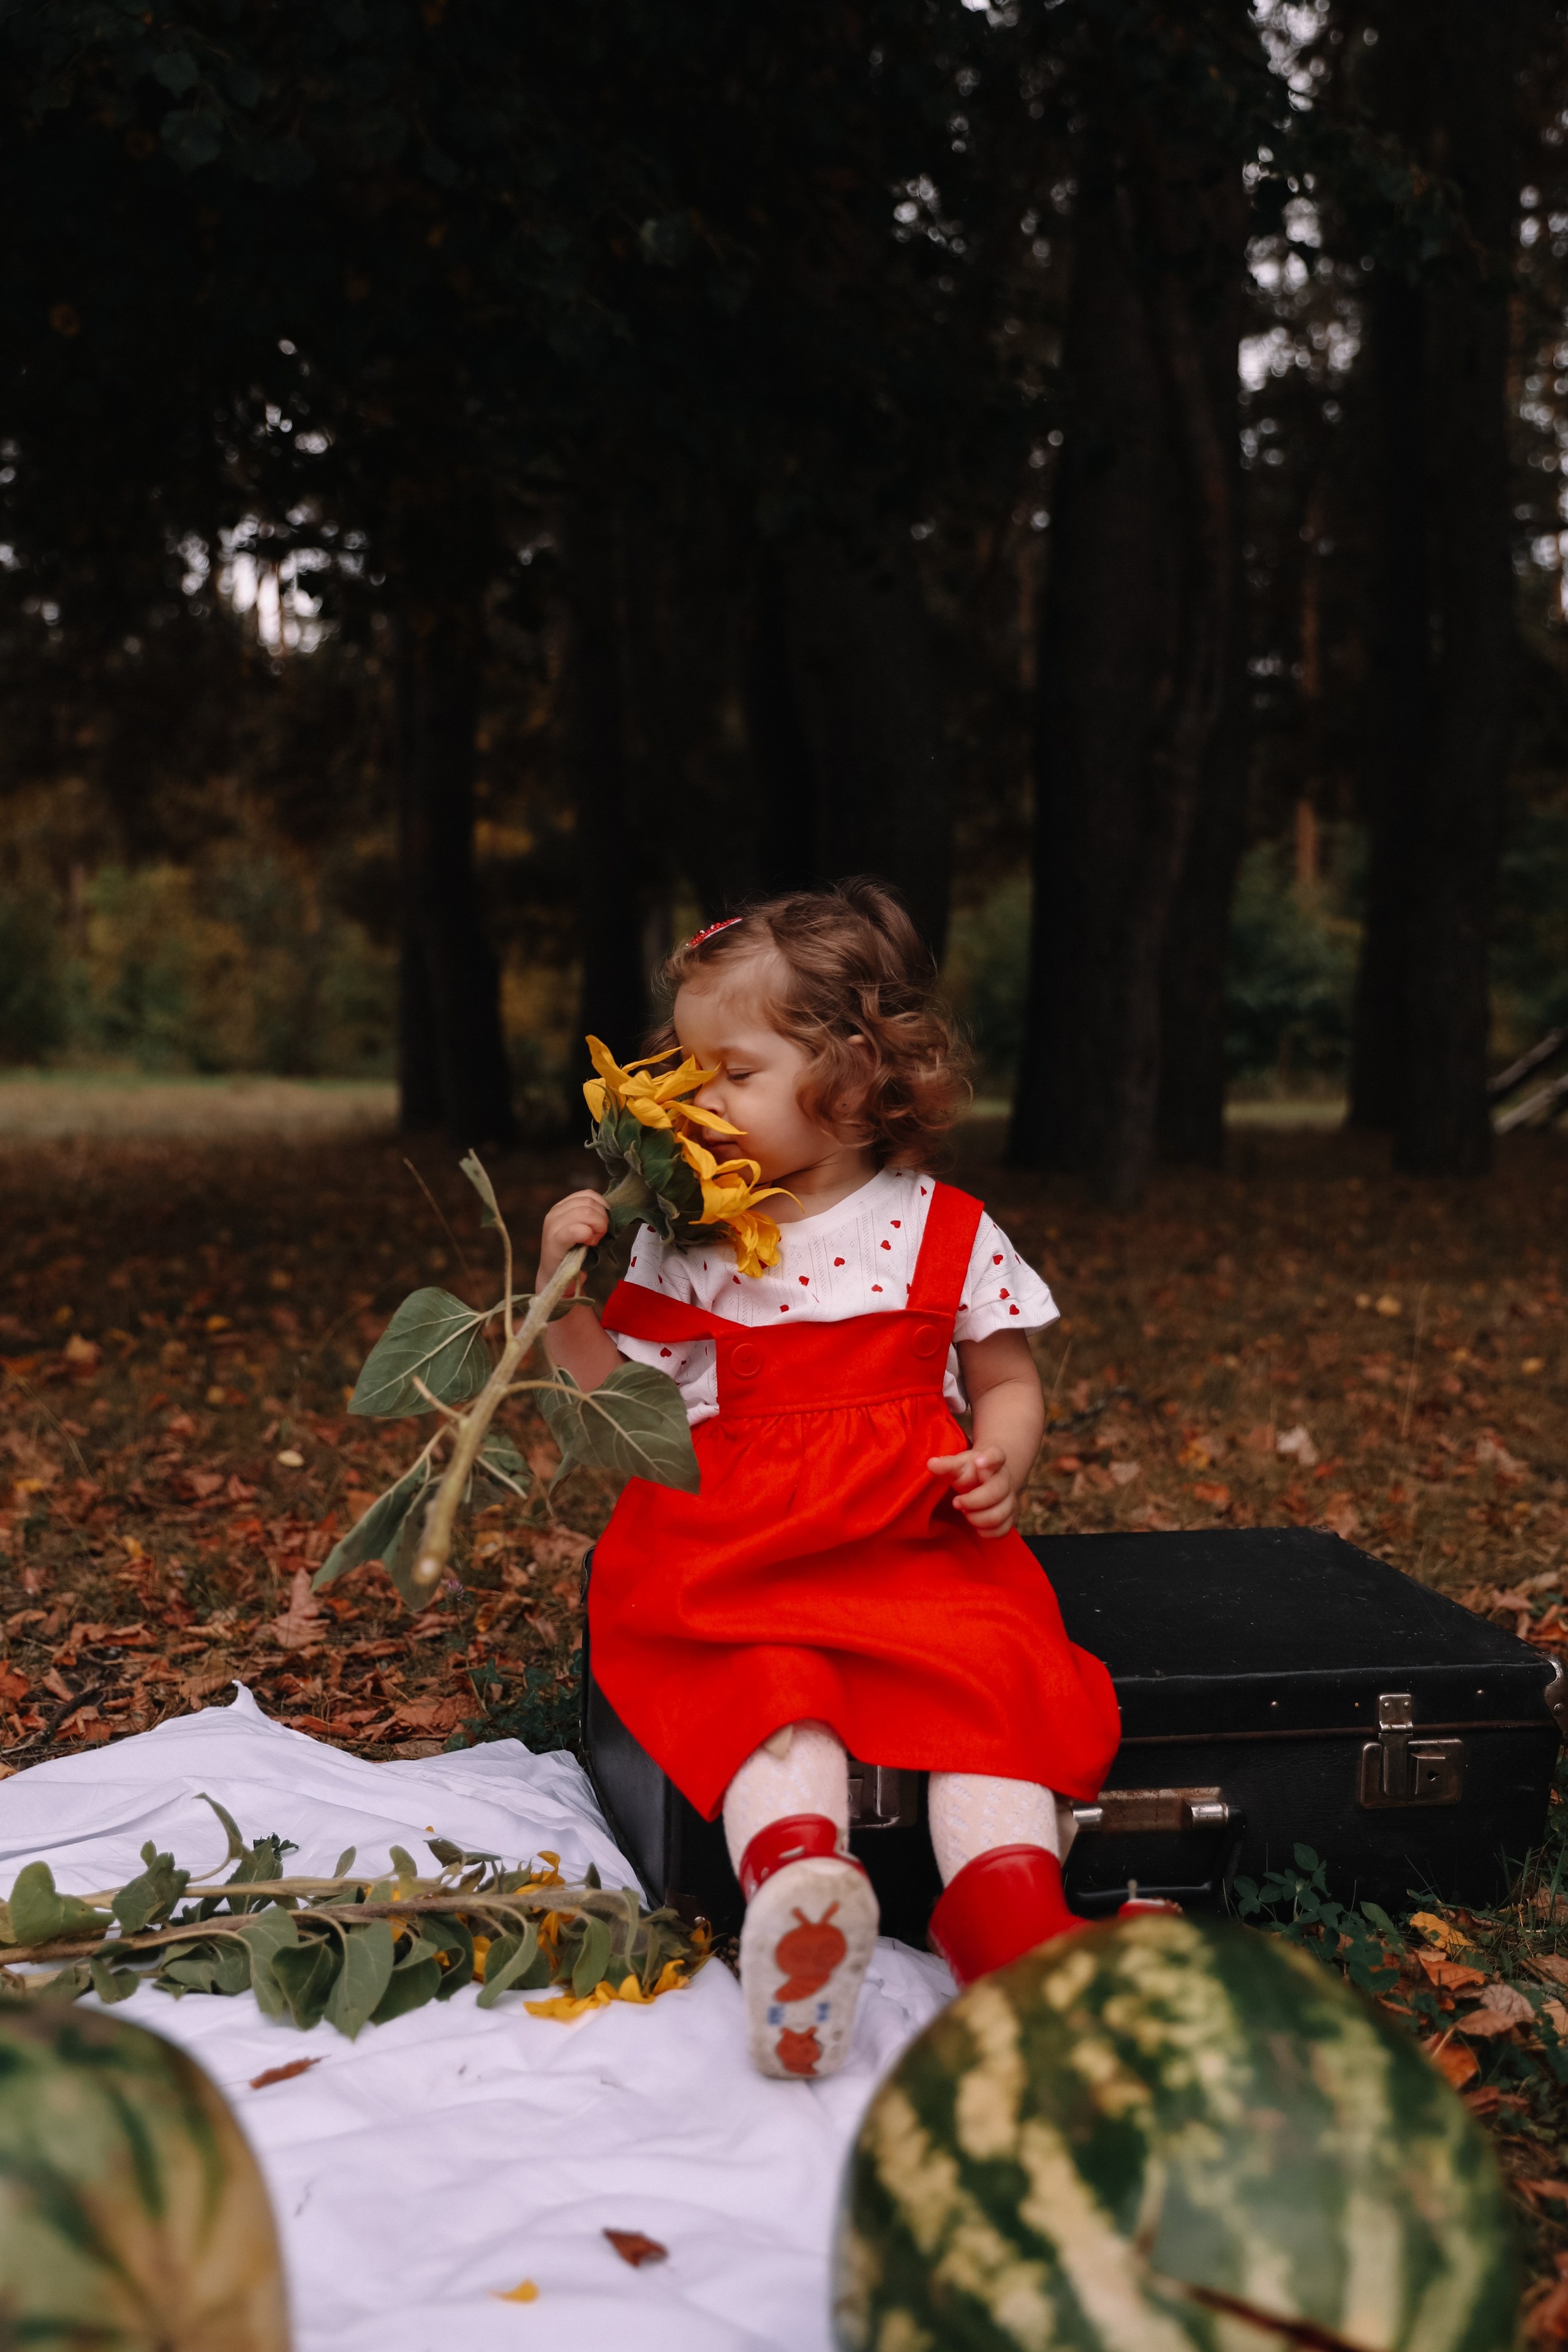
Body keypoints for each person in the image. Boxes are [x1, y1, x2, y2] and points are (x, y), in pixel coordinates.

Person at [536, 880, 1119, 2079]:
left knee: (991, 1696)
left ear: (853, 1082)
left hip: (915, 1548)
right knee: (766, 1693)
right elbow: (606, 1404)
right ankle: (801, 1890)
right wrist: (557, 1291)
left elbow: (1004, 1380)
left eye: (730, 1073)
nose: (695, 1100)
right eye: (684, 1071)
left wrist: (1003, 1452)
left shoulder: (942, 1227)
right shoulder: (684, 1243)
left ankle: (1015, 1928)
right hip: (733, 1553)